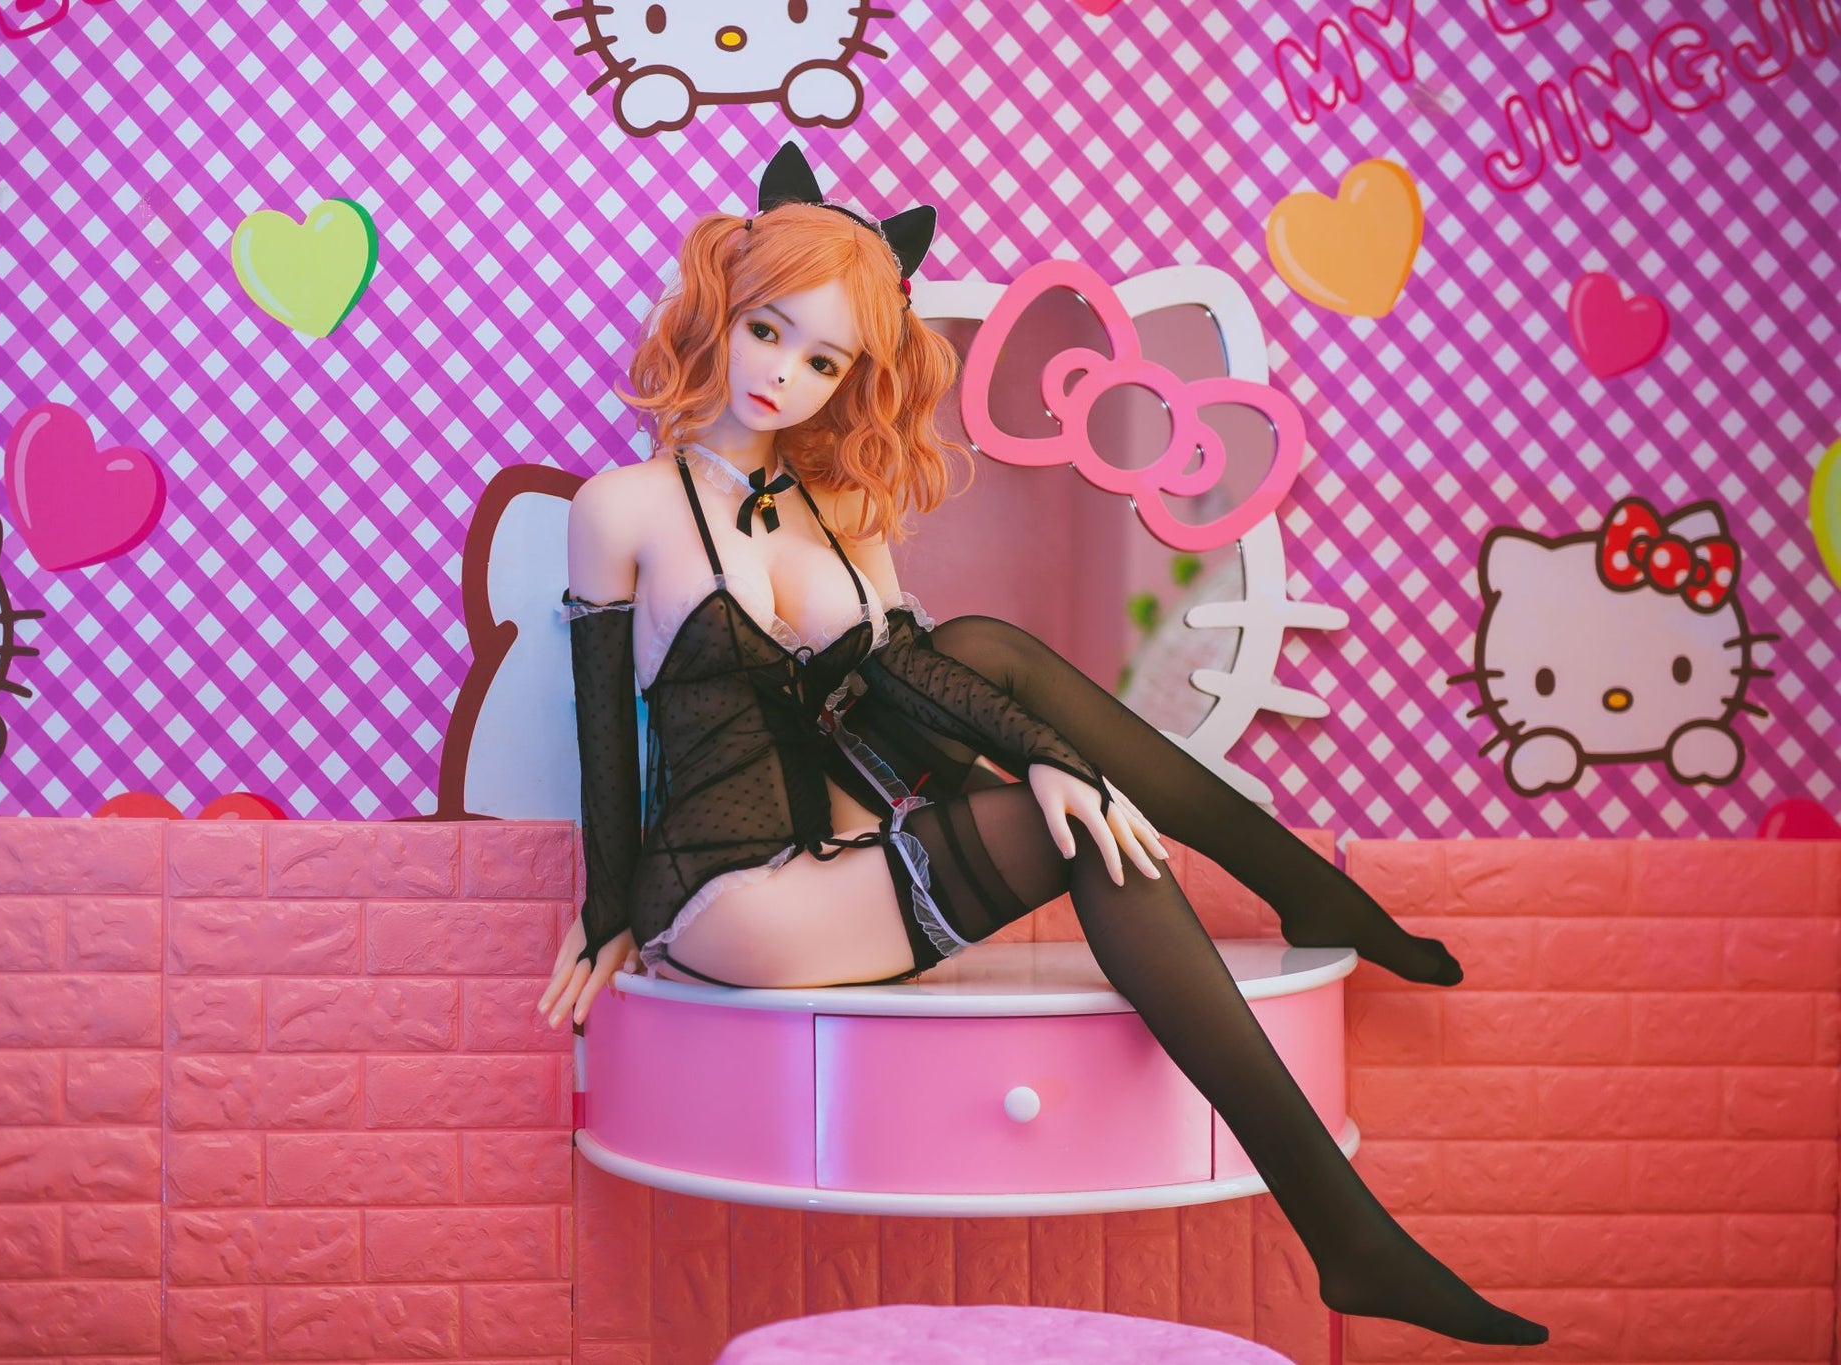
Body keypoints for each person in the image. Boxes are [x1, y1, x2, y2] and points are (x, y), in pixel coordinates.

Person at [536, 142, 1548, 1349]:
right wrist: (607, 910)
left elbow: (906, 673)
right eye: (766, 332)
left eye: (822, 361)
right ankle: (1345, 1227)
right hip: (730, 893)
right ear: (719, 308)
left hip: (846, 829)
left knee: (978, 650)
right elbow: (605, 732)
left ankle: (1313, 944)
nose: (781, 376)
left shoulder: (836, 506)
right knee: (1087, 836)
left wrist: (1056, 761)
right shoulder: (621, 506)